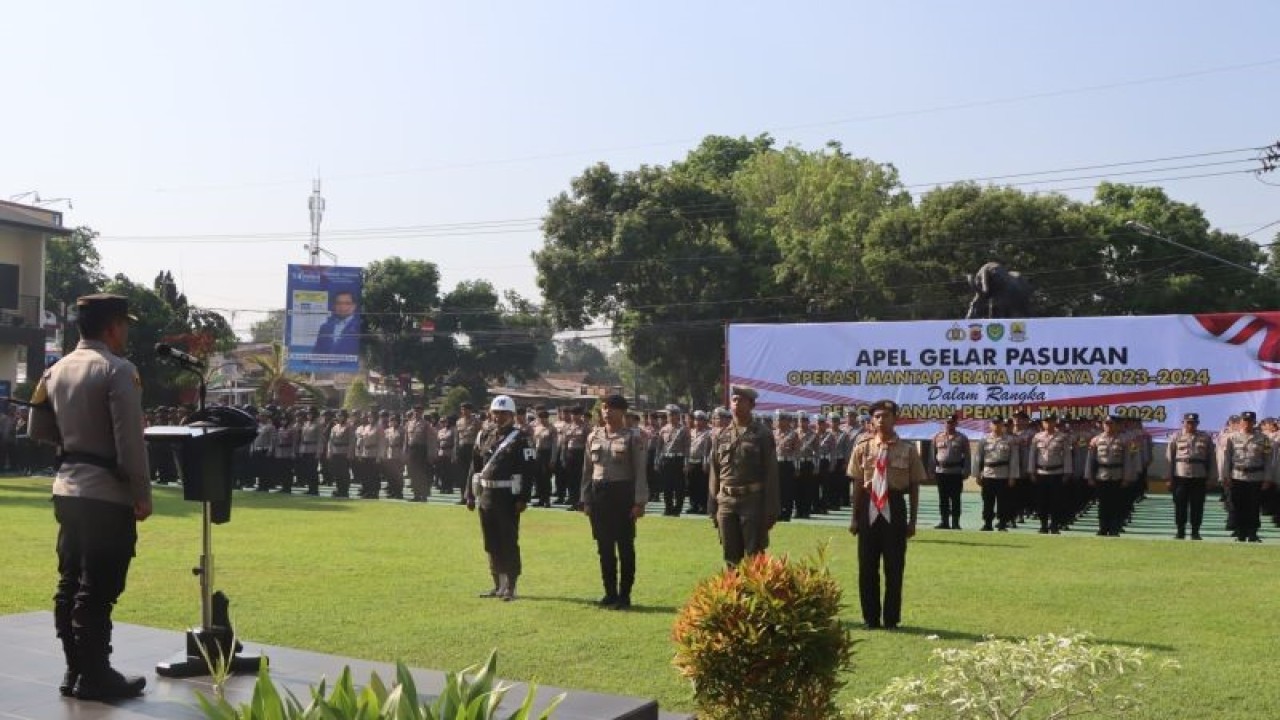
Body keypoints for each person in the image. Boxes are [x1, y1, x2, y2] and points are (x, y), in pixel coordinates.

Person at [26, 293, 150, 700]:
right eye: (125, 324)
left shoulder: (54, 369)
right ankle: (96, 675)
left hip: (67, 487)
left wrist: (76, 440)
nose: (126, 332)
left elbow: (37, 429)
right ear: (112, 326)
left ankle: (76, 670)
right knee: (98, 588)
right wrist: (141, 493)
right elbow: (130, 442)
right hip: (106, 494)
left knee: (70, 581)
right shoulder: (118, 370)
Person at [847, 399, 925, 630]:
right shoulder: (862, 447)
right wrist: (854, 517)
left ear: (895, 419)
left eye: (887, 416)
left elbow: (914, 486)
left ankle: (891, 618)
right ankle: (870, 618)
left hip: (895, 504)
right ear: (872, 420)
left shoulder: (908, 449)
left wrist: (912, 520)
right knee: (867, 566)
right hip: (869, 507)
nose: (882, 420)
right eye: (877, 416)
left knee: (894, 565)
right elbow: (858, 483)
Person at [581, 394, 648, 609]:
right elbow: (587, 471)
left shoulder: (632, 437)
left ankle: (624, 595)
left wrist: (639, 502)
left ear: (622, 412)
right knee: (604, 547)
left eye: (611, 408)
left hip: (623, 495)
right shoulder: (593, 436)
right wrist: (586, 499)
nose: (606, 411)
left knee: (625, 546)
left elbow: (640, 471)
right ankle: (609, 593)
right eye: (604, 408)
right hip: (600, 496)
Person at [467, 395, 535, 600]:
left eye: (504, 413)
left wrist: (523, 498)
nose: (499, 417)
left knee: (508, 540)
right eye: (496, 412)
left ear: (512, 415)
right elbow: (475, 467)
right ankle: (498, 584)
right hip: (486, 495)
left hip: (508, 497)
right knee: (491, 541)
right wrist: (469, 494)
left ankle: (512, 587)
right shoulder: (483, 435)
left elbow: (529, 470)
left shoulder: (522, 439)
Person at [707, 387, 779, 566]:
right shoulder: (721, 435)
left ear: (751, 404)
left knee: (755, 557)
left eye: (741, 400)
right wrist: (712, 506)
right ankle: (735, 594)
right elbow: (714, 471)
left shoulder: (762, 434)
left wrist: (771, 510)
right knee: (730, 557)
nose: (736, 403)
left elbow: (771, 474)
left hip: (752, 501)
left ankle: (755, 594)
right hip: (726, 501)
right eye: (734, 399)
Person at [1220, 410, 1272, 542]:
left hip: (1256, 477)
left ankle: (1253, 533)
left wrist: (1267, 478)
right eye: (1245, 420)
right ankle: (1241, 533)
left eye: (1250, 421)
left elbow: (1268, 459)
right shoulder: (1232, 438)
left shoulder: (1264, 438)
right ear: (1241, 422)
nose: (1247, 423)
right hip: (1238, 476)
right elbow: (1226, 458)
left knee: (1254, 506)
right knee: (1238, 506)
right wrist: (1226, 476)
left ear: (1254, 422)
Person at [1084, 415, 1137, 537]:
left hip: (1117, 475)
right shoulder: (1095, 440)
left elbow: (1128, 460)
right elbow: (1090, 460)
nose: (1108, 426)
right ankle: (1103, 528)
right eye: (1106, 423)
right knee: (1102, 504)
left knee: (1116, 504)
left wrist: (1126, 478)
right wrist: (1089, 476)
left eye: (1111, 423)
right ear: (1103, 425)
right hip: (1101, 475)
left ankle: (1114, 528)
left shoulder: (1125, 440)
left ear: (1116, 425)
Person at [1165, 412, 1215, 540]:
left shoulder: (1205, 438)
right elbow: (1169, 459)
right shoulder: (1175, 437)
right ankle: (1180, 531)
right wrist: (1169, 478)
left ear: (1197, 424)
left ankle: (1195, 531)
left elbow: (1212, 459)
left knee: (1197, 505)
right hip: (1180, 476)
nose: (1190, 425)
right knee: (1180, 505)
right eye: (1188, 422)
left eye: (1193, 423)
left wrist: (1211, 478)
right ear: (1183, 423)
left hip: (1199, 476)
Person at [1028, 412, 1073, 534]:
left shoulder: (1062, 437)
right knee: (1042, 501)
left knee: (1056, 501)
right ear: (1043, 423)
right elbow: (1032, 455)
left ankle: (1054, 525)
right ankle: (1043, 525)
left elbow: (1067, 456)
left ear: (1055, 422)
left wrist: (1067, 472)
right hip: (1041, 473)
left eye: (1051, 421)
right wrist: (1031, 472)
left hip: (1056, 473)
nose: (1048, 423)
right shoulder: (1037, 437)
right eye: (1046, 421)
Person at [974, 418, 1020, 531]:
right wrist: (977, 475)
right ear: (990, 425)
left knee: (1003, 501)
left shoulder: (1009, 440)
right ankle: (987, 523)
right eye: (994, 424)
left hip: (1003, 474)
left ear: (1002, 425)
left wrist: (1012, 476)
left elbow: (1014, 459)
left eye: (999, 424)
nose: (997, 426)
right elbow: (978, 458)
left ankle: (1002, 523)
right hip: (988, 474)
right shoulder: (984, 440)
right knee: (987, 501)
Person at [929, 414, 969, 530]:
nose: (949, 424)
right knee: (943, 498)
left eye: (952, 422)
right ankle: (944, 521)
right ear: (944, 423)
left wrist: (966, 470)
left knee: (956, 498)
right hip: (941, 472)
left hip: (956, 472)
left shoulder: (962, 438)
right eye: (947, 422)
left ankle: (956, 522)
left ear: (956, 424)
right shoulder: (937, 437)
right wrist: (931, 470)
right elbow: (932, 455)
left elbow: (967, 456)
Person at [311, 291, 362, 356]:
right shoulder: (325, 327)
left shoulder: (359, 326)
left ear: (354, 306)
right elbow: (316, 352)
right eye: (338, 303)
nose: (342, 307)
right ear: (334, 306)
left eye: (347, 303)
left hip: (348, 365)